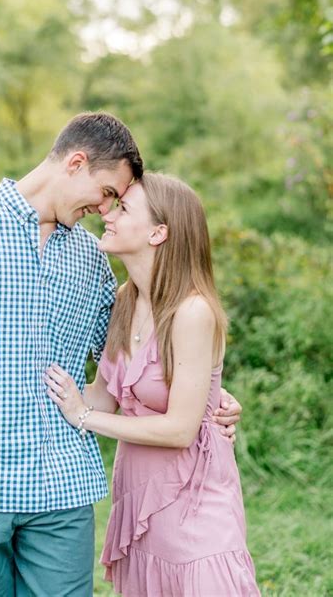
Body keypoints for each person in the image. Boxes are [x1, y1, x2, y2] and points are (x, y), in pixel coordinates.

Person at [0, 113, 242, 597]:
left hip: (62, 489)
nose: (104, 209)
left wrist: (211, 397)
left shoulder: (93, 259)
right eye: (106, 192)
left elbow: (135, 361)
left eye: (117, 202)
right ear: (76, 163)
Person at [45, 173, 259, 597]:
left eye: (123, 209)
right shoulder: (125, 300)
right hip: (140, 493)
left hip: (193, 497)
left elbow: (180, 429)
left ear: (159, 232)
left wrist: (83, 417)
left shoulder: (192, 312)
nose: (107, 213)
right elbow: (103, 398)